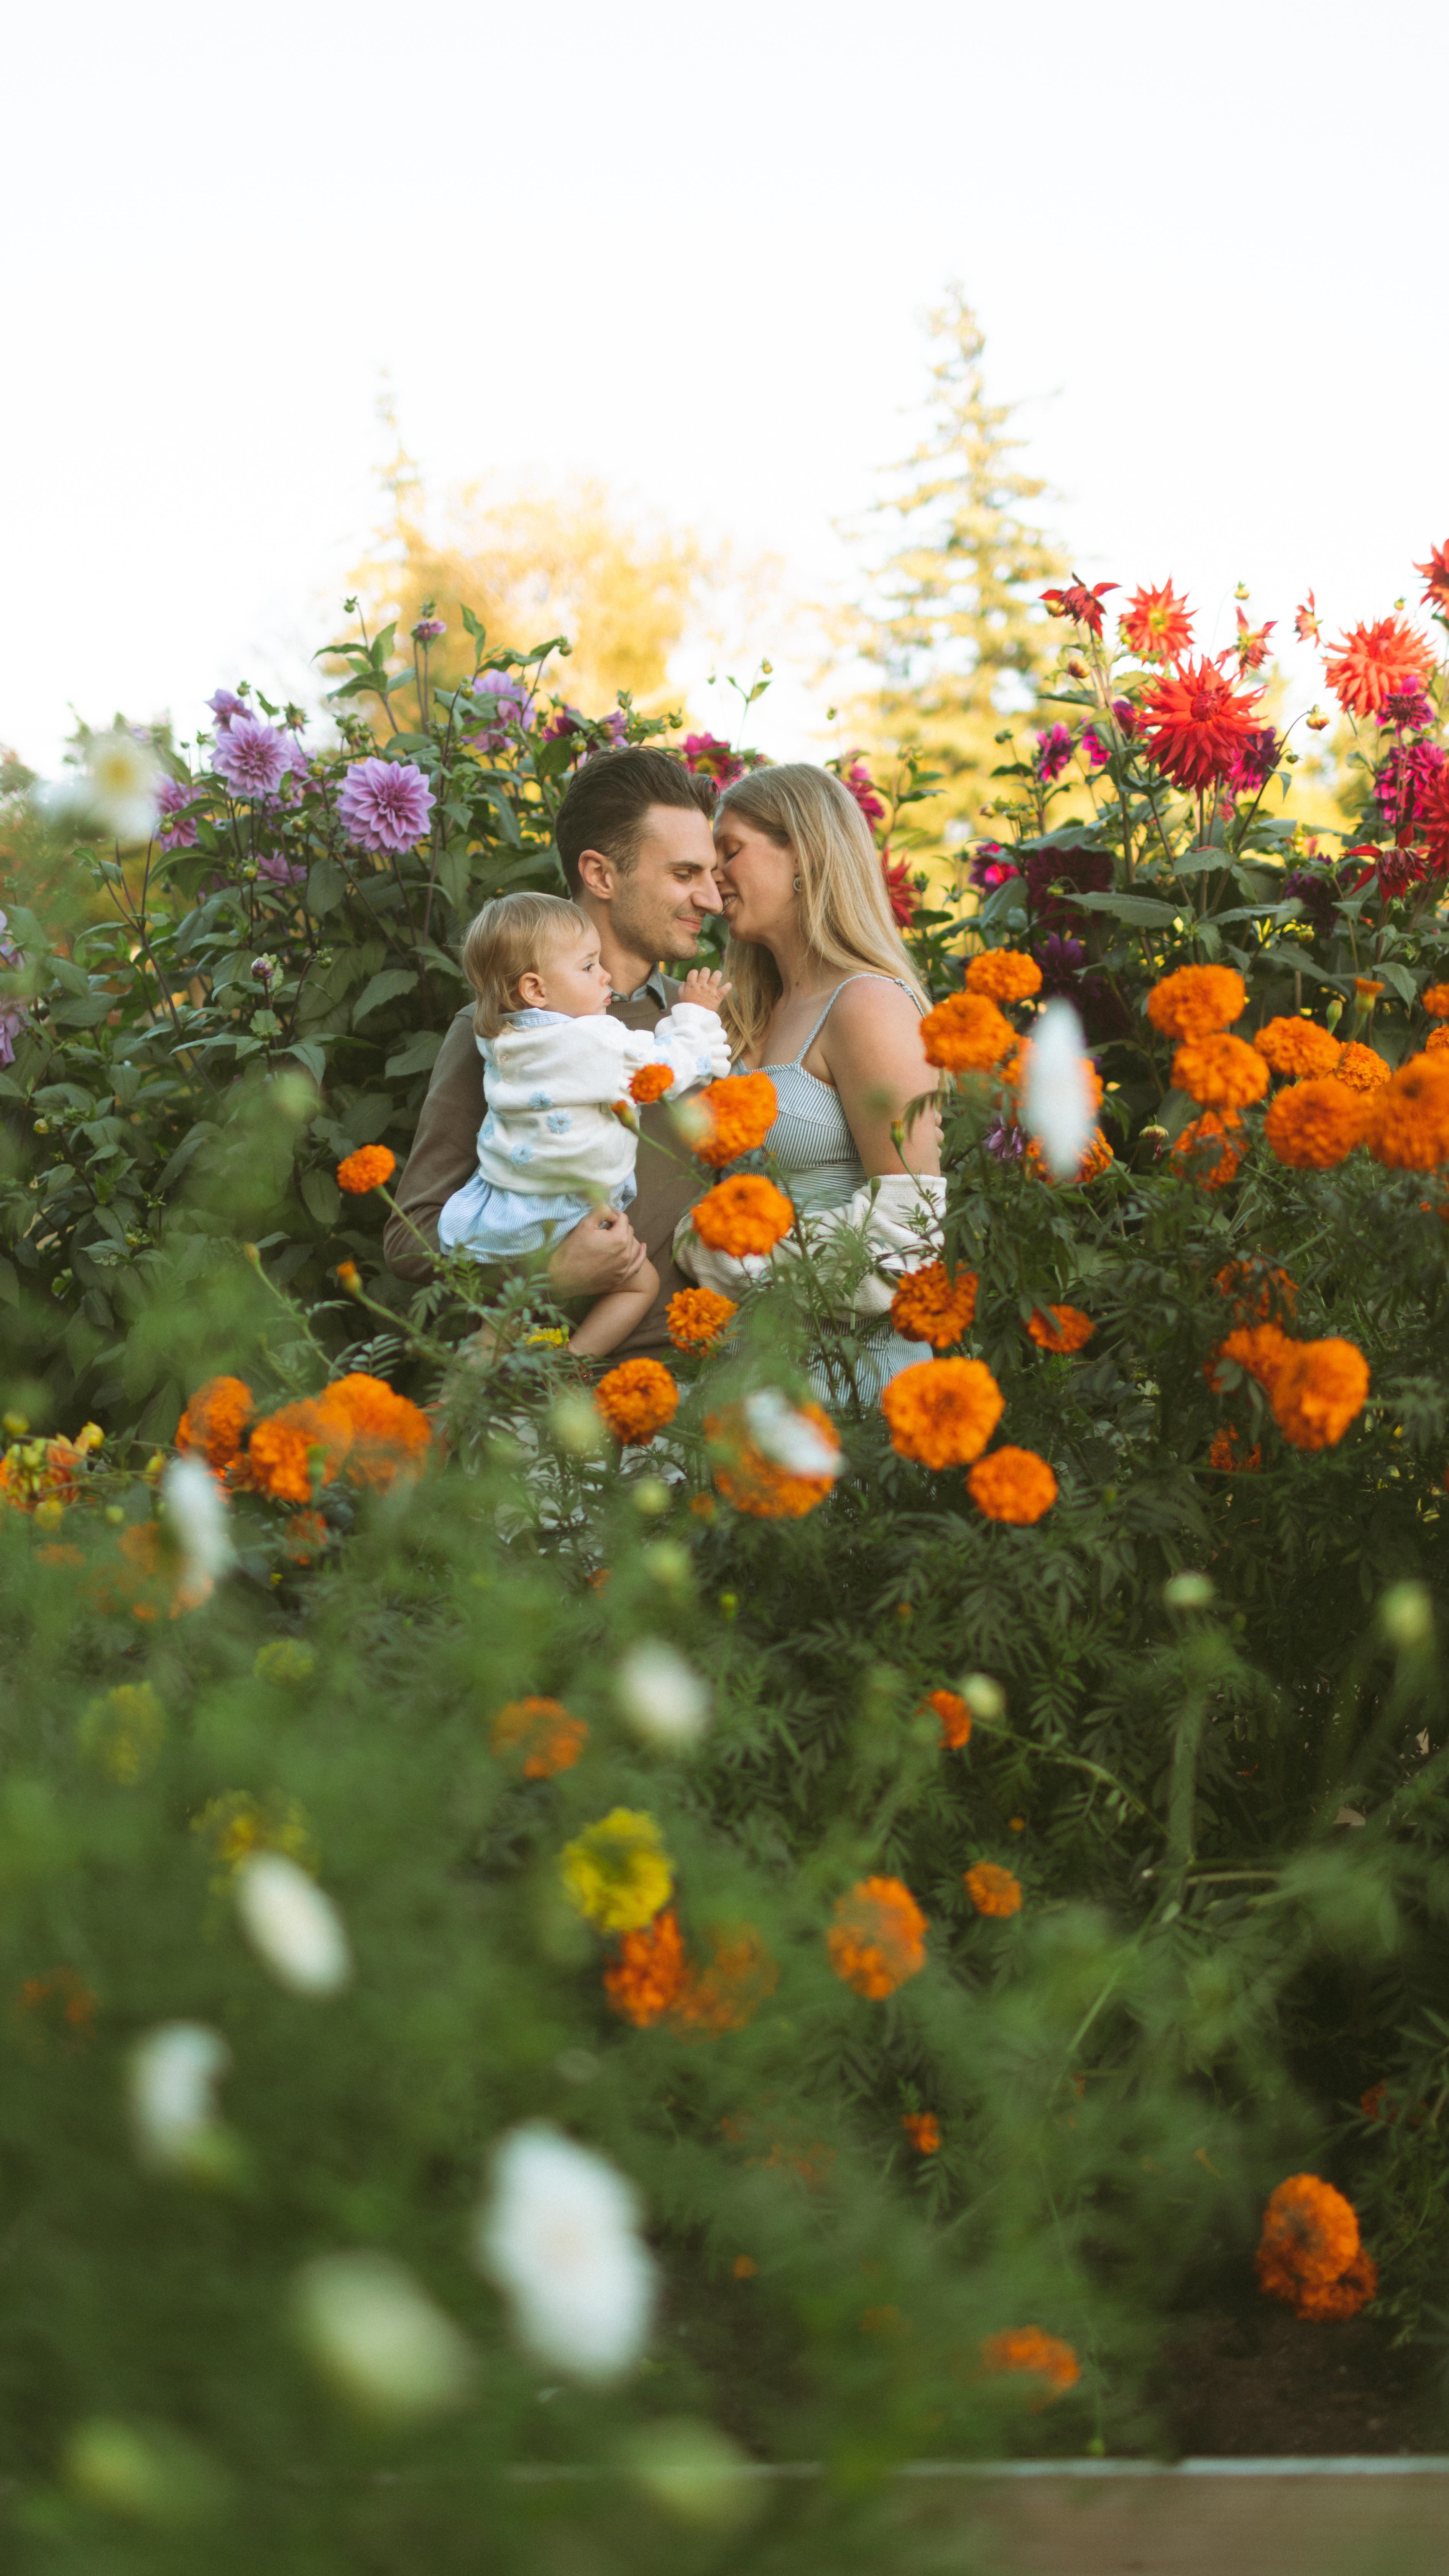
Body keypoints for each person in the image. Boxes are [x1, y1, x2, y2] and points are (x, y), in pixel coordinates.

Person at [383, 748, 723, 1354]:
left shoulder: (701, 1022)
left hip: (695, 1387)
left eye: (711, 875)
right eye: (683, 874)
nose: (712, 900)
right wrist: (545, 1272)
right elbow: (412, 1239)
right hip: (539, 1398)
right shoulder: (503, 1033)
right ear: (600, 875)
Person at [674, 762, 945, 1398]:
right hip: (749, 1385)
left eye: (730, 850)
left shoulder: (869, 1004)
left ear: (805, 852)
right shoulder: (742, 1011)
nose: (713, 879)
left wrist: (711, 1253)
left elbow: (910, 1238)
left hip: (853, 1383)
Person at [439, 890, 731, 1355]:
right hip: (572, 1211)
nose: (606, 976)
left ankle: (461, 1390)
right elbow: (666, 1070)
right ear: (536, 989)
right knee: (640, 1285)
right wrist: (695, 1014)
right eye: (589, 966)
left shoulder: (501, 1037)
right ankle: (573, 1363)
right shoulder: (590, 1040)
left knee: (508, 1315)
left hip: (510, 1209)